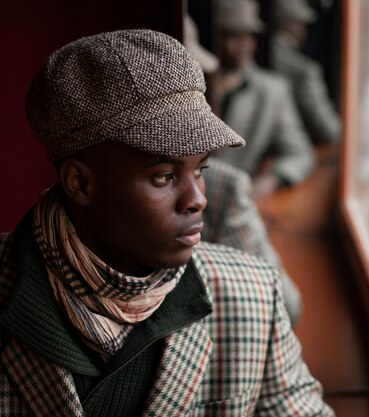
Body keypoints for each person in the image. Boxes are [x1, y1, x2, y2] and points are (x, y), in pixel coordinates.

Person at [0, 29, 333, 416]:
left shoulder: (253, 296)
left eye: (201, 169)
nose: (198, 199)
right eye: (164, 176)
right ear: (81, 183)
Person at [211, 0, 315, 199]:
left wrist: (271, 179)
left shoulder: (272, 91)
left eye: (249, 36)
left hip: (237, 199)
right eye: (233, 35)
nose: (243, 45)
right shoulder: (197, 82)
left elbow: (300, 152)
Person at [201, 158, 302, 325]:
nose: (196, 200)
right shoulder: (225, 187)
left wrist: (272, 177)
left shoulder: (226, 188)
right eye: (164, 177)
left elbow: (285, 306)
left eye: (198, 171)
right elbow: (286, 306)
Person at [271, 0, 341, 144]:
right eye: (300, 23)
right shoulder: (306, 71)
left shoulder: (261, 58)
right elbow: (329, 129)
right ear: (289, 23)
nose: (304, 30)